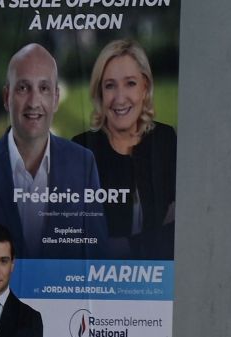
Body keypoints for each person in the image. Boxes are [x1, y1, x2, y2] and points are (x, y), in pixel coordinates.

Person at [0, 43, 108, 262]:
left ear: (55, 98)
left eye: (44, 88)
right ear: (7, 97)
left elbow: (97, 258)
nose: (34, 102)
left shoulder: (83, 164)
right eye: (23, 88)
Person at [73, 39, 178, 260]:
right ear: (100, 92)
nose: (120, 98)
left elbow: (179, 229)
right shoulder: (80, 149)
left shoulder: (166, 141)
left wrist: (127, 246)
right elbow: (76, 236)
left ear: (145, 87)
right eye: (110, 85)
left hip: (156, 281)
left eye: (130, 83)